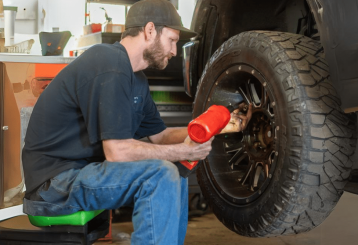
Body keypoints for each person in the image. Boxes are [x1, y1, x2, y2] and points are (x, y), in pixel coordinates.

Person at [22, 0, 252, 244]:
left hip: (83, 175)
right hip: (54, 185)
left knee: (177, 168)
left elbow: (161, 136)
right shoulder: (108, 63)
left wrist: (221, 126)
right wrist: (183, 150)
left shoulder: (137, 80)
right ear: (150, 30)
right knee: (160, 173)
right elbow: (117, 152)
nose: (175, 50)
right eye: (172, 40)